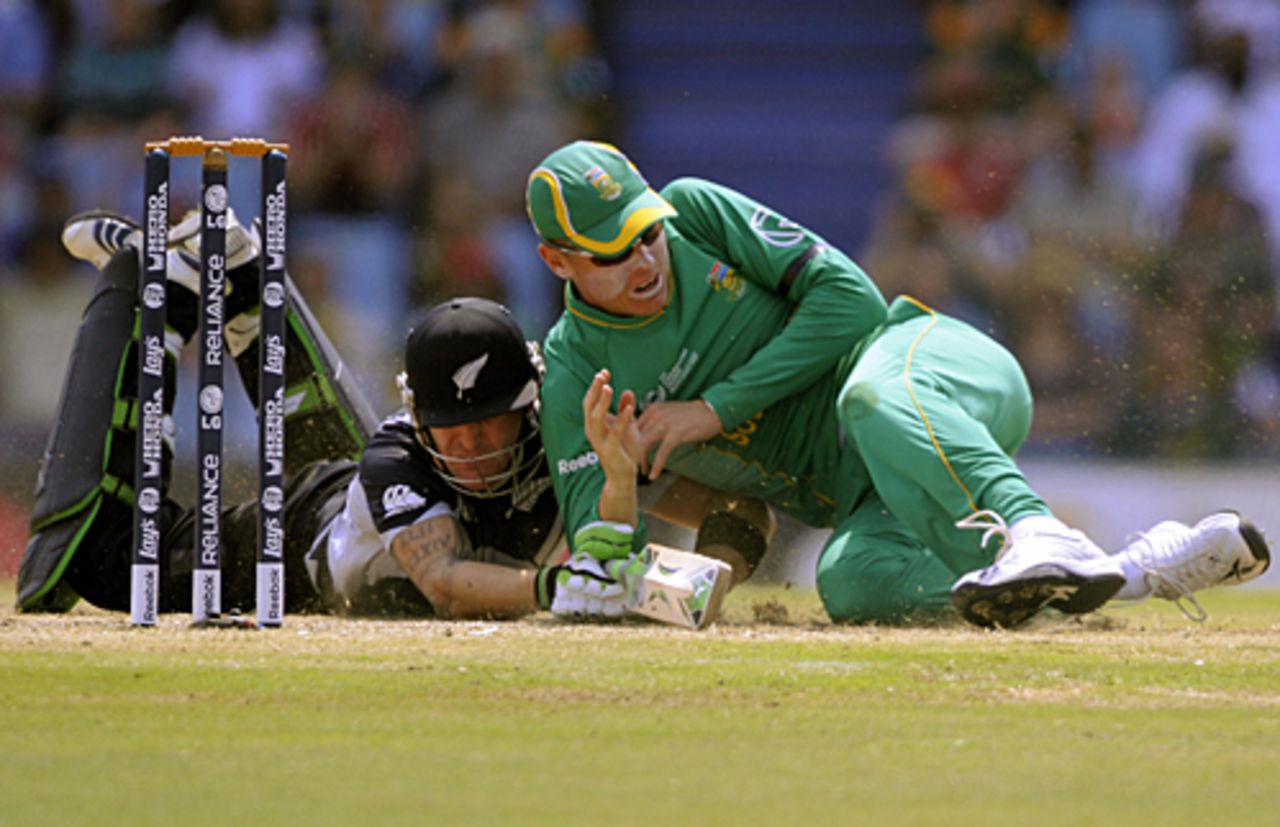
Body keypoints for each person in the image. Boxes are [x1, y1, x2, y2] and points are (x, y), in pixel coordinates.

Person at [524, 139, 1271, 629]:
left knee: (868, 396)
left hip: (929, 366)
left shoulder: (695, 211)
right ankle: (1125, 569)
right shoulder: (572, 376)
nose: (648, 259)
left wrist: (710, 412)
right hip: (869, 501)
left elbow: (853, 302)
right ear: (558, 261)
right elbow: (603, 566)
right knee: (850, 580)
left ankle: (1032, 524)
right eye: (615, 251)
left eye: (647, 232)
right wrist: (622, 483)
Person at [17, 209, 770, 621]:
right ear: (422, 418)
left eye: (491, 423)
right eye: (453, 427)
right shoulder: (400, 454)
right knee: (103, 566)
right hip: (289, 546)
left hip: (354, 503)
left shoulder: (571, 437)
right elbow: (441, 580)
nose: (473, 445)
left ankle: (242, 273)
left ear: (530, 406)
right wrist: (559, 585)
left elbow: (742, 505)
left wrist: (707, 584)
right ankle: (138, 274)